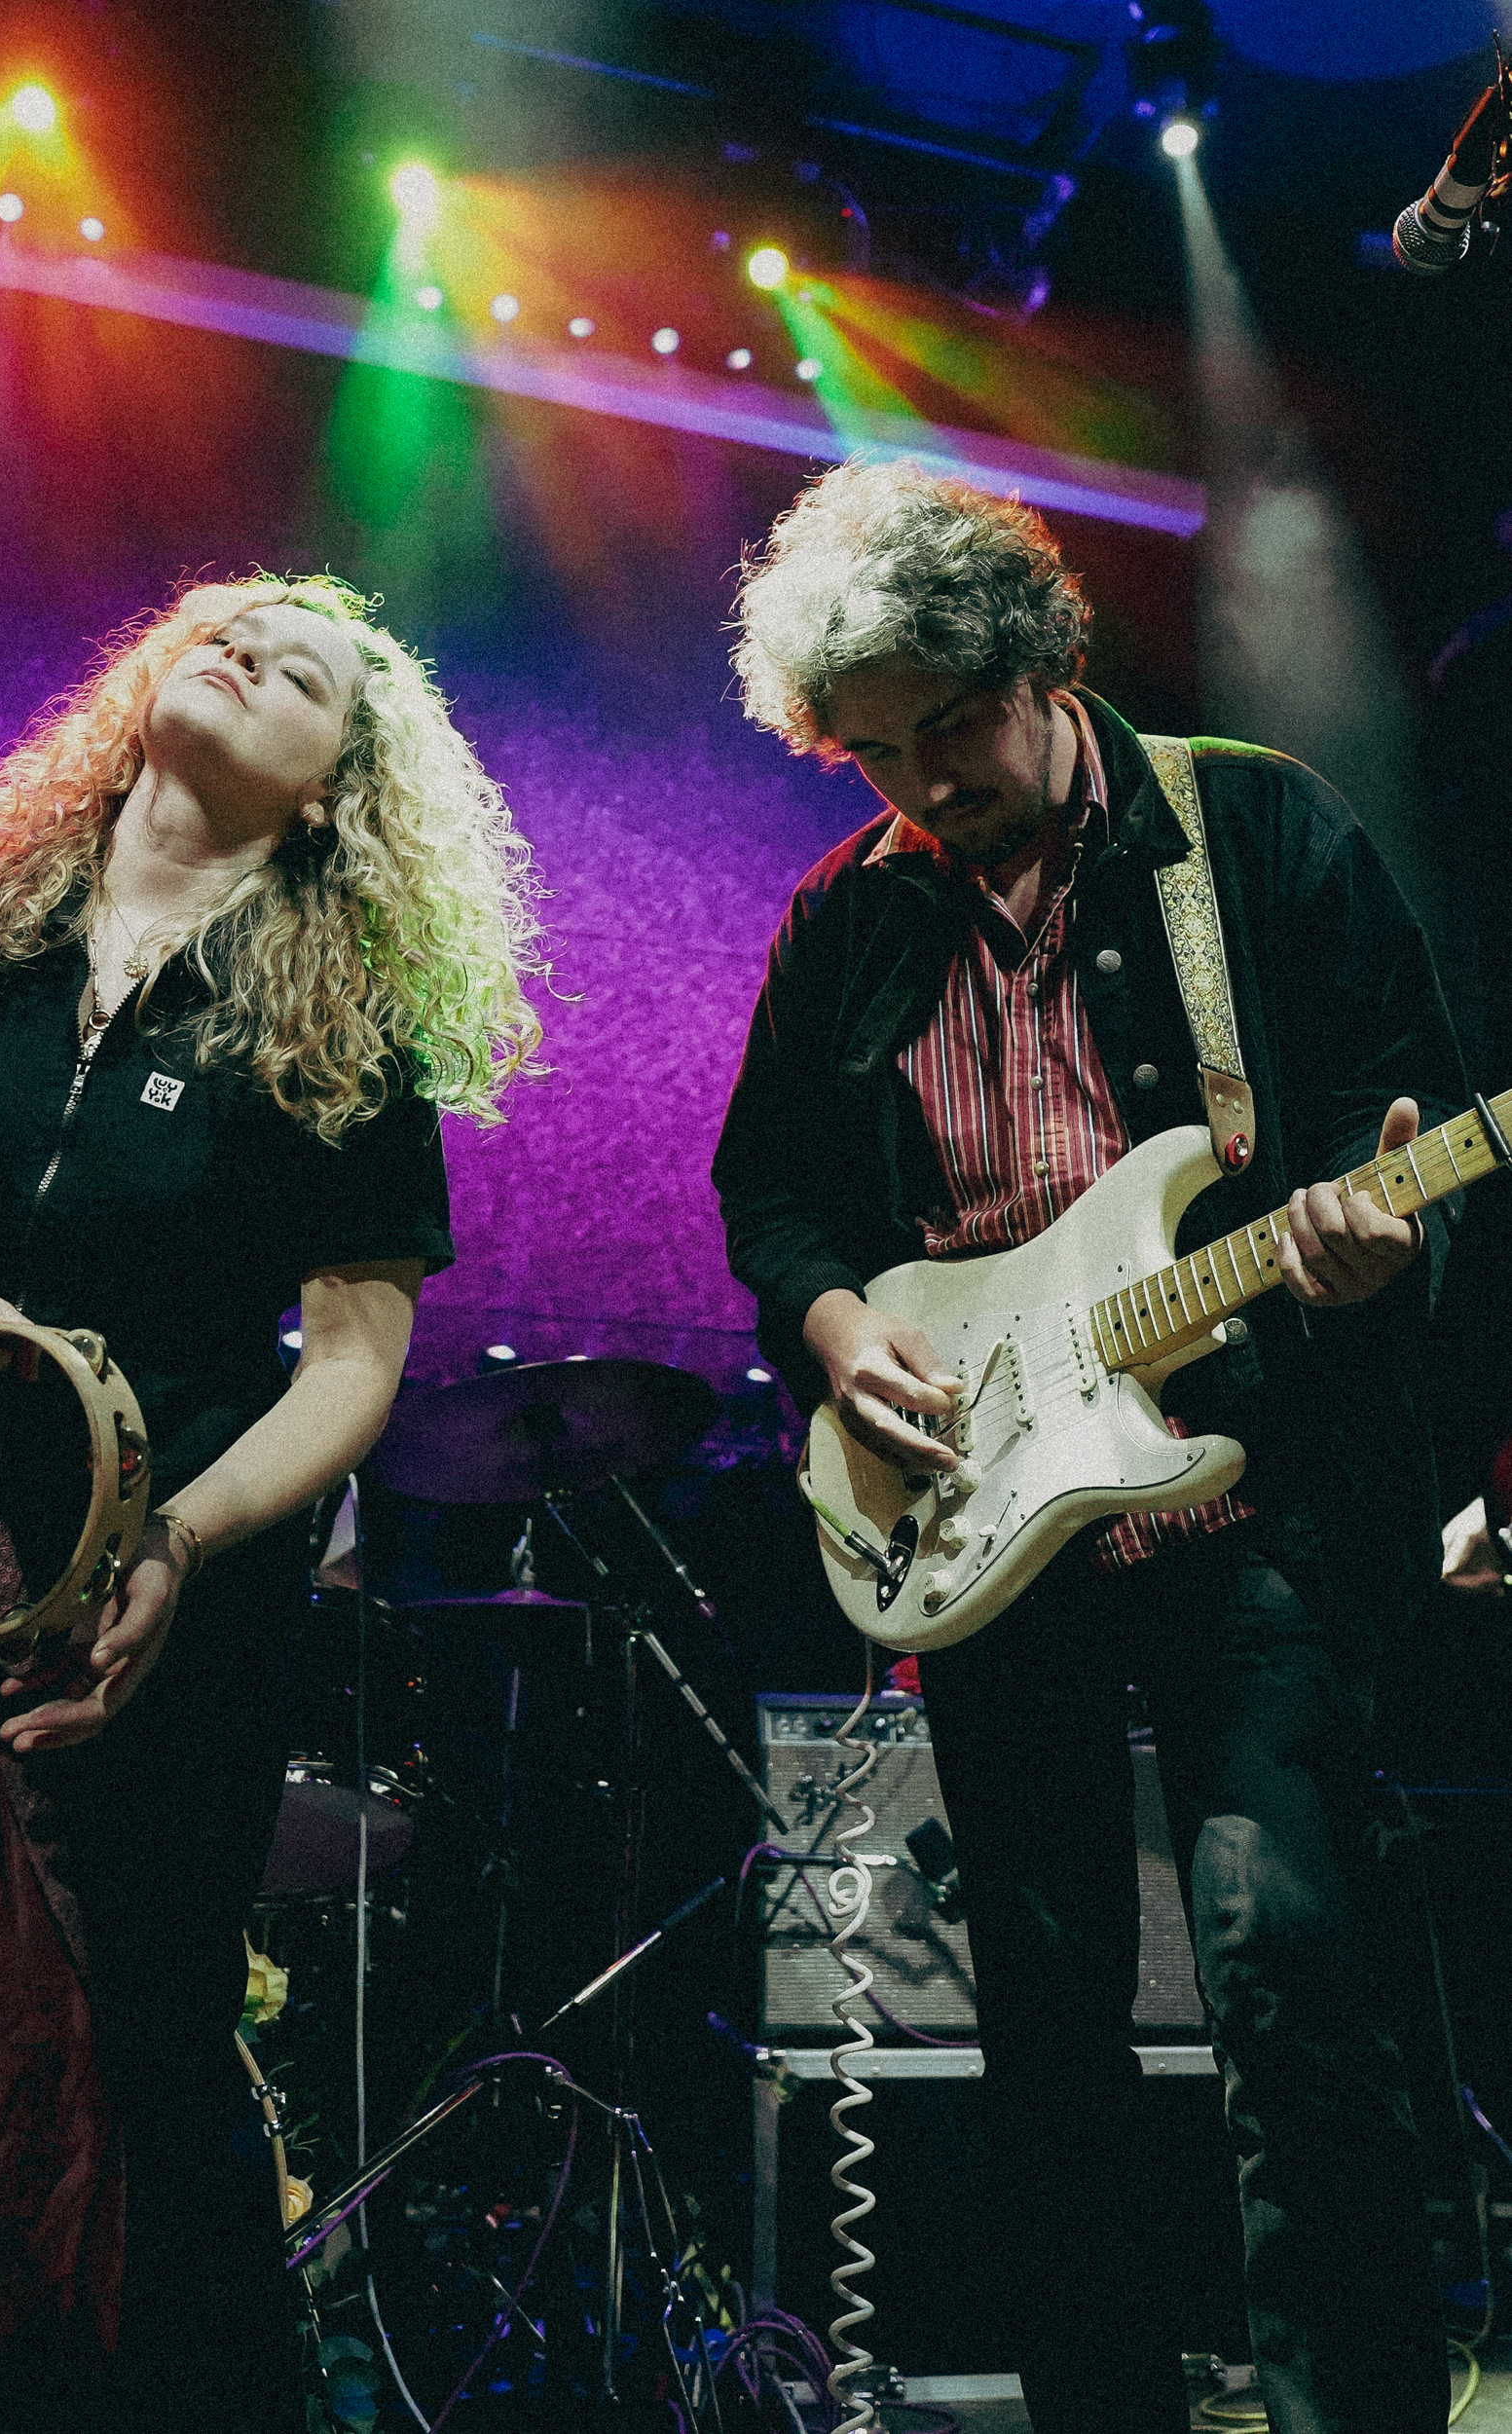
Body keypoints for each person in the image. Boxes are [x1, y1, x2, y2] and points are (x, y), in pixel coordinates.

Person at [0, 575, 542, 2434]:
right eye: (226, 629)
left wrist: (185, 1544)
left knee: (119, 2030)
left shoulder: (340, 1020)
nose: (246, 651)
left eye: (301, 672)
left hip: (160, 1583)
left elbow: (353, 1364)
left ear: (329, 790)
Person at [713, 466, 1465, 2434]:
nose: (922, 783)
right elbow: (768, 1191)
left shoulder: (1254, 826)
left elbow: (1408, 1118)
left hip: (1253, 1493)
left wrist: (1373, 1241)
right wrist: (834, 1323)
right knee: (1046, 2017)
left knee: (1285, 1966)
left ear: (1041, 659)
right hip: (984, 1518)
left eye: (951, 725)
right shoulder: (842, 917)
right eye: (871, 752)